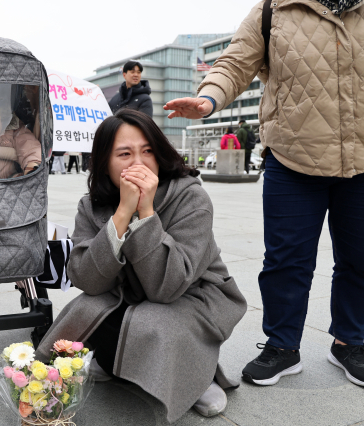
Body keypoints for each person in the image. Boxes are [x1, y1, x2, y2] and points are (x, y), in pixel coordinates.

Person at [164, 0, 364, 388]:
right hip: (292, 157)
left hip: (361, 162)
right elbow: (234, 64)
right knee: (286, 261)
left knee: (360, 258)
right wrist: (208, 99)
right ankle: (282, 346)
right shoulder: (274, 10)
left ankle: (350, 342)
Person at [35, 109, 247, 422]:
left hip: (193, 295)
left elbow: (168, 288)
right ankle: (112, 363)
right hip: (129, 292)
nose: (139, 162)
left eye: (147, 151)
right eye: (124, 153)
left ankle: (196, 378)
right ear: (105, 163)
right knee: (85, 310)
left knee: (152, 320)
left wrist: (146, 214)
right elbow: (87, 280)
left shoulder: (191, 197)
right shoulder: (91, 205)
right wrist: (121, 215)